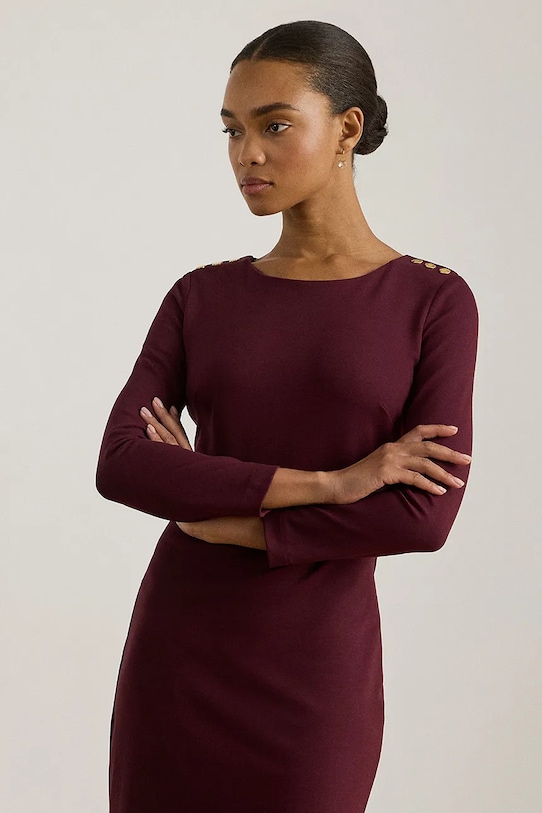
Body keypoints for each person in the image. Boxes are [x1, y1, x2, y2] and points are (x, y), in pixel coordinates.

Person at [96, 19, 478, 813]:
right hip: (180, 653)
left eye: (274, 126)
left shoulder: (432, 300)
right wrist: (333, 484)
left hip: (316, 674)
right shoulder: (202, 295)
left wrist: (226, 515)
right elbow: (123, 463)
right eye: (232, 130)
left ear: (348, 128)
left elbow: (422, 516)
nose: (247, 154)